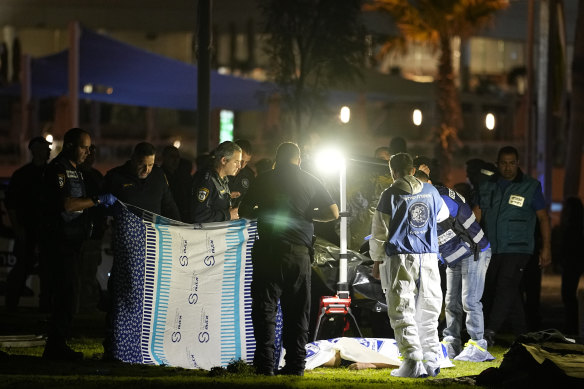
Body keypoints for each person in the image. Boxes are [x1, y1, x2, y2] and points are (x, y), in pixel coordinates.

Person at [239, 142, 339, 376]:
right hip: (298, 255)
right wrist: (309, 215)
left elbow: (244, 211)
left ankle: (264, 365)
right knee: (297, 312)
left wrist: (262, 212)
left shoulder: (263, 179)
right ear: (299, 159)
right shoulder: (311, 179)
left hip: (268, 252)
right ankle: (295, 365)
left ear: (277, 158)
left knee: (264, 310)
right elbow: (333, 212)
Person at [370, 153, 448, 378]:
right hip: (429, 255)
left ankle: (413, 361)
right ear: (413, 170)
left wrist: (377, 263)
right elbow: (442, 215)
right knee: (430, 309)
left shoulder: (390, 194)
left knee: (402, 308)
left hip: (400, 257)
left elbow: (379, 233)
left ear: (392, 171)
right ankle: (432, 360)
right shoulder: (431, 191)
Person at [41, 128, 117, 360]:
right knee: (66, 293)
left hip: (74, 240)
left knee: (71, 293)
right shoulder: (59, 170)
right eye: (84, 147)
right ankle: (56, 347)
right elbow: (67, 205)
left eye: (89, 147)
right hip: (60, 241)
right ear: (71, 146)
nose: (88, 152)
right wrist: (96, 201)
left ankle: (57, 344)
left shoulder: (77, 171)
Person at [473, 146, 551, 345]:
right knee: (509, 289)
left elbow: (543, 218)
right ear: (498, 164)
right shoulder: (486, 185)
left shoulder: (531, 186)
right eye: (504, 163)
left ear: (518, 164)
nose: (508, 167)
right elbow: (477, 214)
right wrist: (470, 241)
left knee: (505, 285)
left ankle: (490, 331)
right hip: (492, 247)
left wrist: (546, 248)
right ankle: (521, 333)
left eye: (512, 163)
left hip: (519, 247)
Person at [413, 167, 493, 362]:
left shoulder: (443, 199)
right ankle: (451, 344)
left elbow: (432, 220)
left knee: (470, 301)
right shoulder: (427, 197)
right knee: (451, 302)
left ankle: (478, 345)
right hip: (455, 254)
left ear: (427, 184)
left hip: (475, 251)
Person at [4, 136, 52, 311]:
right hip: (29, 230)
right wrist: (18, 228)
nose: (48, 152)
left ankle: (44, 307)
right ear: (36, 151)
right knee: (23, 268)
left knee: (47, 272)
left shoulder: (51, 174)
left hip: (45, 231)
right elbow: (11, 204)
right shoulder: (23, 176)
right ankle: (11, 306)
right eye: (45, 148)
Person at [105, 142, 180, 220]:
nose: (146, 170)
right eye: (141, 164)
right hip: (127, 230)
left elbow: (169, 206)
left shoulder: (159, 174)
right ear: (133, 158)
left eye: (150, 165)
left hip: (154, 231)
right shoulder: (115, 176)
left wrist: (179, 228)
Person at [191, 141, 241, 223]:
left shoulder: (223, 178)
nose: (239, 166)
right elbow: (199, 215)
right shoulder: (207, 181)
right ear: (224, 160)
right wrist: (228, 215)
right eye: (236, 162)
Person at [558, 196, 584, 335]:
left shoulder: (572, 226)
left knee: (568, 293)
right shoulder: (577, 225)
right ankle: (572, 323)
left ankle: (572, 324)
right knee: (569, 294)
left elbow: (569, 246)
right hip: (573, 262)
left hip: (572, 262)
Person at [160, 145, 193, 222]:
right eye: (172, 156)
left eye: (177, 157)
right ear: (164, 158)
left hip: (183, 217)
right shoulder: (159, 176)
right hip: (166, 218)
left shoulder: (182, 176)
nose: (175, 160)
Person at [228, 139, 255, 208]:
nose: (242, 166)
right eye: (241, 161)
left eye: (246, 162)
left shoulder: (249, 175)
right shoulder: (222, 171)